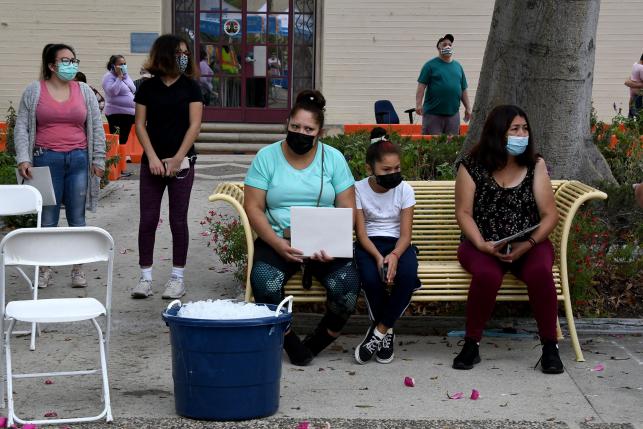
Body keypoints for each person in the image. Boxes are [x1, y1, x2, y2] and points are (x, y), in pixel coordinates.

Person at [244, 90, 360, 366]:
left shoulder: (333, 159)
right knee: (264, 281)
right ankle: (289, 340)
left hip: (324, 241)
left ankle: (321, 339)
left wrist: (334, 244)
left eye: (308, 128)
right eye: (295, 126)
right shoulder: (266, 157)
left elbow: (348, 207)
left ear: (319, 132)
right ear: (287, 123)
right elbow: (253, 207)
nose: (300, 132)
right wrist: (276, 243)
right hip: (278, 239)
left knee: (347, 287)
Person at [452, 105, 564, 375]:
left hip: (529, 244)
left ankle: (550, 347)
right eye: (515, 129)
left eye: (524, 129)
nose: (521, 134)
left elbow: (550, 215)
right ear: (497, 132)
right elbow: (463, 212)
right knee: (488, 276)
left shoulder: (535, 165)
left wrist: (529, 244)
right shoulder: (472, 166)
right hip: (482, 244)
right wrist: (481, 244)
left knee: (540, 273)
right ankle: (471, 344)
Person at [15, 43, 105, 289]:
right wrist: (24, 157)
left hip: (78, 159)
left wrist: (99, 159)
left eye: (74, 60)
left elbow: (97, 126)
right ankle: (44, 268)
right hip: (45, 160)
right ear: (52, 65)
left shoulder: (84, 91)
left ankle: (78, 267)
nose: (71, 64)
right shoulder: (34, 91)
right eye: (65, 60)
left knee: (78, 218)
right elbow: (21, 126)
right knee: (48, 219)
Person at [130, 34, 203, 299]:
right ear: (164, 55)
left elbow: (194, 125)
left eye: (186, 53)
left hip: (182, 163)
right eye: (178, 53)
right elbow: (140, 124)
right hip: (152, 163)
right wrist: (151, 157)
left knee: (178, 220)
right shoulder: (147, 88)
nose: (183, 58)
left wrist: (176, 158)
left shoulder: (192, 87)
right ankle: (145, 278)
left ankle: (177, 278)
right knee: (148, 219)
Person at [353, 127, 420, 365]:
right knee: (371, 279)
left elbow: (405, 235)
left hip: (398, 245)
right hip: (369, 244)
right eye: (386, 170)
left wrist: (394, 255)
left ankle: (380, 330)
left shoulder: (405, 190)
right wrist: (378, 258)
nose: (393, 174)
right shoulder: (358, 189)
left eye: (397, 169)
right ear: (370, 169)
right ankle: (388, 333)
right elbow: (361, 234)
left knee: (408, 277)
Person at [415, 34, 472, 135]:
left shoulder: (458, 66)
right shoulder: (430, 65)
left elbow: (463, 89)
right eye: (444, 44)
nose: (447, 46)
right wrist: (418, 104)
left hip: (453, 115)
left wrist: (468, 108)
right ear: (438, 47)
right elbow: (421, 86)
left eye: (450, 44)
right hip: (433, 114)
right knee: (432, 146)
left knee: (451, 146)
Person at [102, 54, 135, 174]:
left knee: (124, 140)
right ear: (113, 65)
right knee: (117, 139)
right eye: (120, 64)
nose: (123, 66)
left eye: (124, 63)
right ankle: (114, 168)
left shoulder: (127, 76)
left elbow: (133, 89)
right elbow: (112, 92)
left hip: (129, 113)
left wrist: (124, 76)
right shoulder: (108, 77)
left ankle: (121, 168)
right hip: (115, 113)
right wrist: (119, 77)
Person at [624, 53, 643, 118]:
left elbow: (630, 80)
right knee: (638, 115)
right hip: (638, 95)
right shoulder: (641, 68)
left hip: (633, 95)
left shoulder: (635, 65)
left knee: (632, 114)